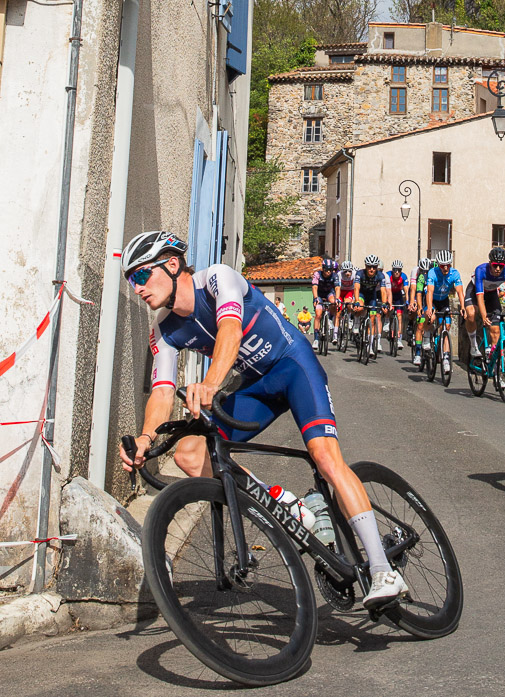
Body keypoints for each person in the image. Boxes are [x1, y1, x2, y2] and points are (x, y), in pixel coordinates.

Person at [116, 231, 407, 609]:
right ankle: (283, 503)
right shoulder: (165, 330)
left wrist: (209, 383)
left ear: (172, 265)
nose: (137, 288)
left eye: (140, 276)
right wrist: (144, 438)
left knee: (324, 456)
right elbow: (162, 390)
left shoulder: (217, 279)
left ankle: (383, 570)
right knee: (189, 453)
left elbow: (230, 330)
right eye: (130, 281)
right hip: (258, 384)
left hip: (292, 364)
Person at [466, 247, 505, 358]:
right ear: (490, 263)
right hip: (475, 291)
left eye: (501, 266)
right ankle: (473, 345)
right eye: (494, 265)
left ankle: (492, 357)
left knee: (495, 329)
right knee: (471, 314)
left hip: (491, 293)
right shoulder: (481, 270)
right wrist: (483, 315)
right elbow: (480, 297)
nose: (497, 269)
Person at [424, 250, 466, 374]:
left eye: (448, 265)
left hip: (444, 300)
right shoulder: (433, 272)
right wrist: (430, 308)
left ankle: (446, 358)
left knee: (446, 327)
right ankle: (427, 337)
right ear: (438, 265)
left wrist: (463, 307)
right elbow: (430, 292)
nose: (445, 268)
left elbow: (460, 292)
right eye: (443, 265)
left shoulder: (454, 274)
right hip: (433, 299)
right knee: (430, 317)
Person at [353, 254, 388, 358]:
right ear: (365, 266)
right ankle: (356, 323)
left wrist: (384, 303)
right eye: (369, 267)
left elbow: (383, 291)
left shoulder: (380, 276)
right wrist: (356, 301)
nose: (371, 269)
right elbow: (356, 288)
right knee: (360, 307)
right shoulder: (360, 273)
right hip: (362, 294)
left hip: (372, 297)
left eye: (374, 267)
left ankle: (370, 346)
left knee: (372, 318)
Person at [310, 258, 339, 350]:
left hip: (329, 293)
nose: (328, 272)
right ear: (323, 269)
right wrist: (315, 298)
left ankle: (330, 318)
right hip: (319, 294)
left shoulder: (335, 276)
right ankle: (316, 339)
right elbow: (314, 287)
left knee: (333, 302)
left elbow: (337, 288)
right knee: (318, 314)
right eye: (326, 270)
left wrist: (337, 299)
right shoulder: (317, 274)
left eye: (330, 270)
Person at [411, 258, 432, 366]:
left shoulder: (434, 275)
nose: (425, 273)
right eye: (423, 271)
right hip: (423, 301)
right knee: (420, 325)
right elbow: (418, 293)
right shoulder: (420, 277)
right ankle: (418, 353)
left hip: (434, 301)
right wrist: (419, 307)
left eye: (427, 271)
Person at [384, 260, 409, 350]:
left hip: (398, 295)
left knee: (399, 316)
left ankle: (399, 339)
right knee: (388, 307)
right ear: (392, 270)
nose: (397, 272)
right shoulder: (388, 275)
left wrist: (407, 301)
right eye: (395, 270)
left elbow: (406, 290)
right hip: (388, 293)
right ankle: (387, 321)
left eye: (399, 270)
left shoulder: (403, 276)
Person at [335, 260, 357, 344]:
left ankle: (349, 318)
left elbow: (356, 287)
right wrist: (338, 299)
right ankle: (336, 331)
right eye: (345, 272)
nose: (347, 273)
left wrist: (354, 298)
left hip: (349, 291)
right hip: (341, 291)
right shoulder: (339, 275)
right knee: (339, 309)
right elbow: (338, 287)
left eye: (349, 271)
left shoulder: (355, 274)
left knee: (349, 303)